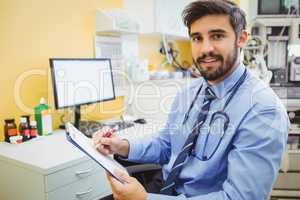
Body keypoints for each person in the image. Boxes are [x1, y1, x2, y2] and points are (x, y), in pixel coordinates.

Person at [93, 0, 290, 199]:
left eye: (217, 36)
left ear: (241, 38)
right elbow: (167, 143)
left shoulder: (263, 110)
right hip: (164, 188)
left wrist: (145, 199)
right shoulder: (190, 92)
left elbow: (240, 197)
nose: (205, 49)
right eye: (197, 38)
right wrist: (122, 146)